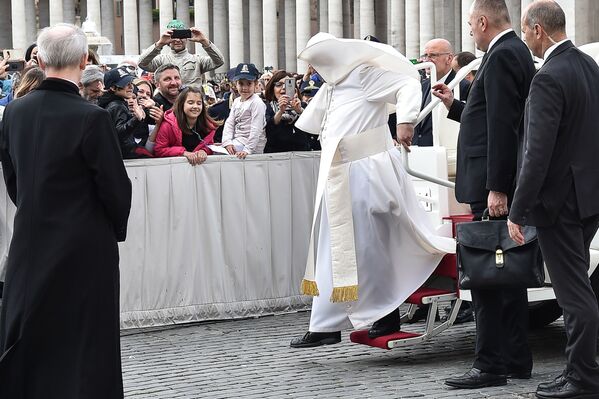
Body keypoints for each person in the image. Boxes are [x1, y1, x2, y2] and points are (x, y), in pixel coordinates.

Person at [289, 33, 455, 348]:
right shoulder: (334, 84)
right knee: (334, 249)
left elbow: (406, 86)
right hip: (339, 176)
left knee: (371, 246)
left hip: (367, 174)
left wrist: (405, 121)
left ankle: (385, 314)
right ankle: (324, 324)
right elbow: (319, 123)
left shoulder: (364, 74)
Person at [0, 23, 131, 398]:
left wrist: (35, 207)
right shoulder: (92, 117)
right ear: (84, 60)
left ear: (38, 61)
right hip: (84, 246)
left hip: (30, 241)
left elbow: (14, 179)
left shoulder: (15, 113)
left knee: (33, 332)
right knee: (87, 340)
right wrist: (109, 228)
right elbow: (115, 189)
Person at [432, 0, 536, 389]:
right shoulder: (510, 51)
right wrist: (455, 106)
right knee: (504, 278)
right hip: (494, 180)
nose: (470, 31)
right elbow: (489, 115)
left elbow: (504, 126)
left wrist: (498, 187)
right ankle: (514, 359)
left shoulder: (504, 53)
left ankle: (490, 363)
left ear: (481, 20)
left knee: (488, 277)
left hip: (493, 186)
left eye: (471, 24)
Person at [509, 2, 599, 398]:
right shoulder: (589, 67)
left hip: (559, 203)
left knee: (572, 292)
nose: (525, 37)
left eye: (526, 30)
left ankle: (583, 376)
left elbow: (536, 153)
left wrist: (518, 208)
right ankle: (576, 369)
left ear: (539, 30)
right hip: (588, 198)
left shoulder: (548, 77)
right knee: (577, 287)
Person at [414, 38, 470, 147]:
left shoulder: (462, 86)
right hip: (420, 151)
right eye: (425, 55)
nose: (427, 60)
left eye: (433, 55)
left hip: (446, 153)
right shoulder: (422, 86)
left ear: (449, 58)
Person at [138, 19, 224, 86]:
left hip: (192, 103)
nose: (178, 40)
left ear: (186, 38)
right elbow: (142, 63)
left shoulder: (197, 59)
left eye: (181, 36)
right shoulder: (161, 60)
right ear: (168, 39)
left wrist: (205, 41)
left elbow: (219, 61)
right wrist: (159, 43)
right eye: (174, 36)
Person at [98, 66, 154, 158]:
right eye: (125, 83)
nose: (130, 86)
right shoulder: (117, 105)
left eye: (130, 82)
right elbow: (119, 133)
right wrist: (136, 119)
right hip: (123, 156)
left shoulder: (111, 102)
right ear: (112, 88)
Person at [154, 86, 218, 165]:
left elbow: (210, 146)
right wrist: (183, 152)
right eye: (190, 103)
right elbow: (159, 150)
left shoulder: (207, 126)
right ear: (182, 104)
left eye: (199, 103)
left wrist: (204, 151)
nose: (195, 106)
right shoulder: (168, 125)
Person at [221, 63, 267, 159]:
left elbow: (256, 129)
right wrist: (227, 142)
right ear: (235, 84)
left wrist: (247, 150)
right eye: (241, 83)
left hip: (252, 148)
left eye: (249, 83)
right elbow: (229, 123)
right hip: (237, 142)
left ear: (256, 84)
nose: (244, 88)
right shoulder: (237, 101)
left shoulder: (257, 102)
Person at [263, 70, 310, 153]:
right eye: (279, 85)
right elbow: (268, 129)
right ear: (272, 89)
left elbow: (311, 128)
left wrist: (299, 111)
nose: (284, 88)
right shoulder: (267, 107)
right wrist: (280, 111)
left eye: (288, 84)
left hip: (301, 157)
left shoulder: (303, 106)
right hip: (276, 157)